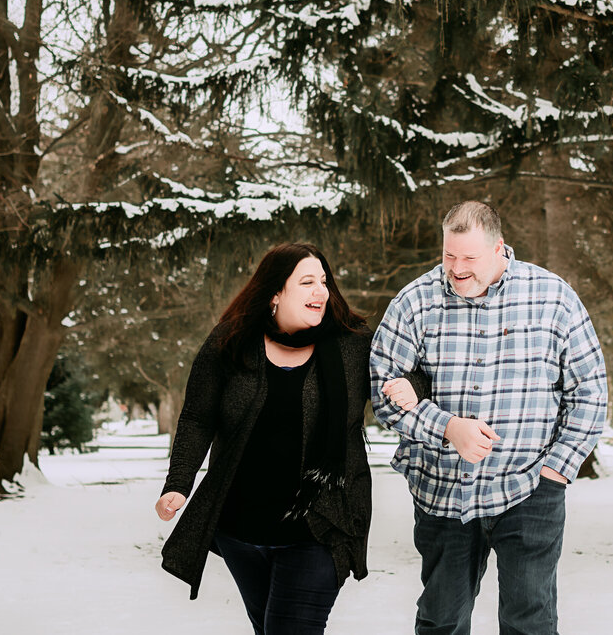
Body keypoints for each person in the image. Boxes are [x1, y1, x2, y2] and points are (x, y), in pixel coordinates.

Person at [155, 242, 423, 635]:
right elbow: (198, 417)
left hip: (318, 526)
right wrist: (178, 484)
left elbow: (412, 372)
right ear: (275, 293)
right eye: (307, 282)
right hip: (241, 531)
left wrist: (410, 385)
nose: (322, 292)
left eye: (324, 282)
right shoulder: (230, 343)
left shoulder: (353, 344)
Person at [373, 201, 608, 635]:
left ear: (499, 248)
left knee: (530, 621)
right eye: (449, 256)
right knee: (441, 620)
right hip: (442, 490)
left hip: (530, 486)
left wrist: (557, 469)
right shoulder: (413, 302)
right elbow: (384, 394)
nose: (456, 269)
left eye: (469, 258)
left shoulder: (553, 298)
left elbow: (590, 392)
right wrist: (446, 427)